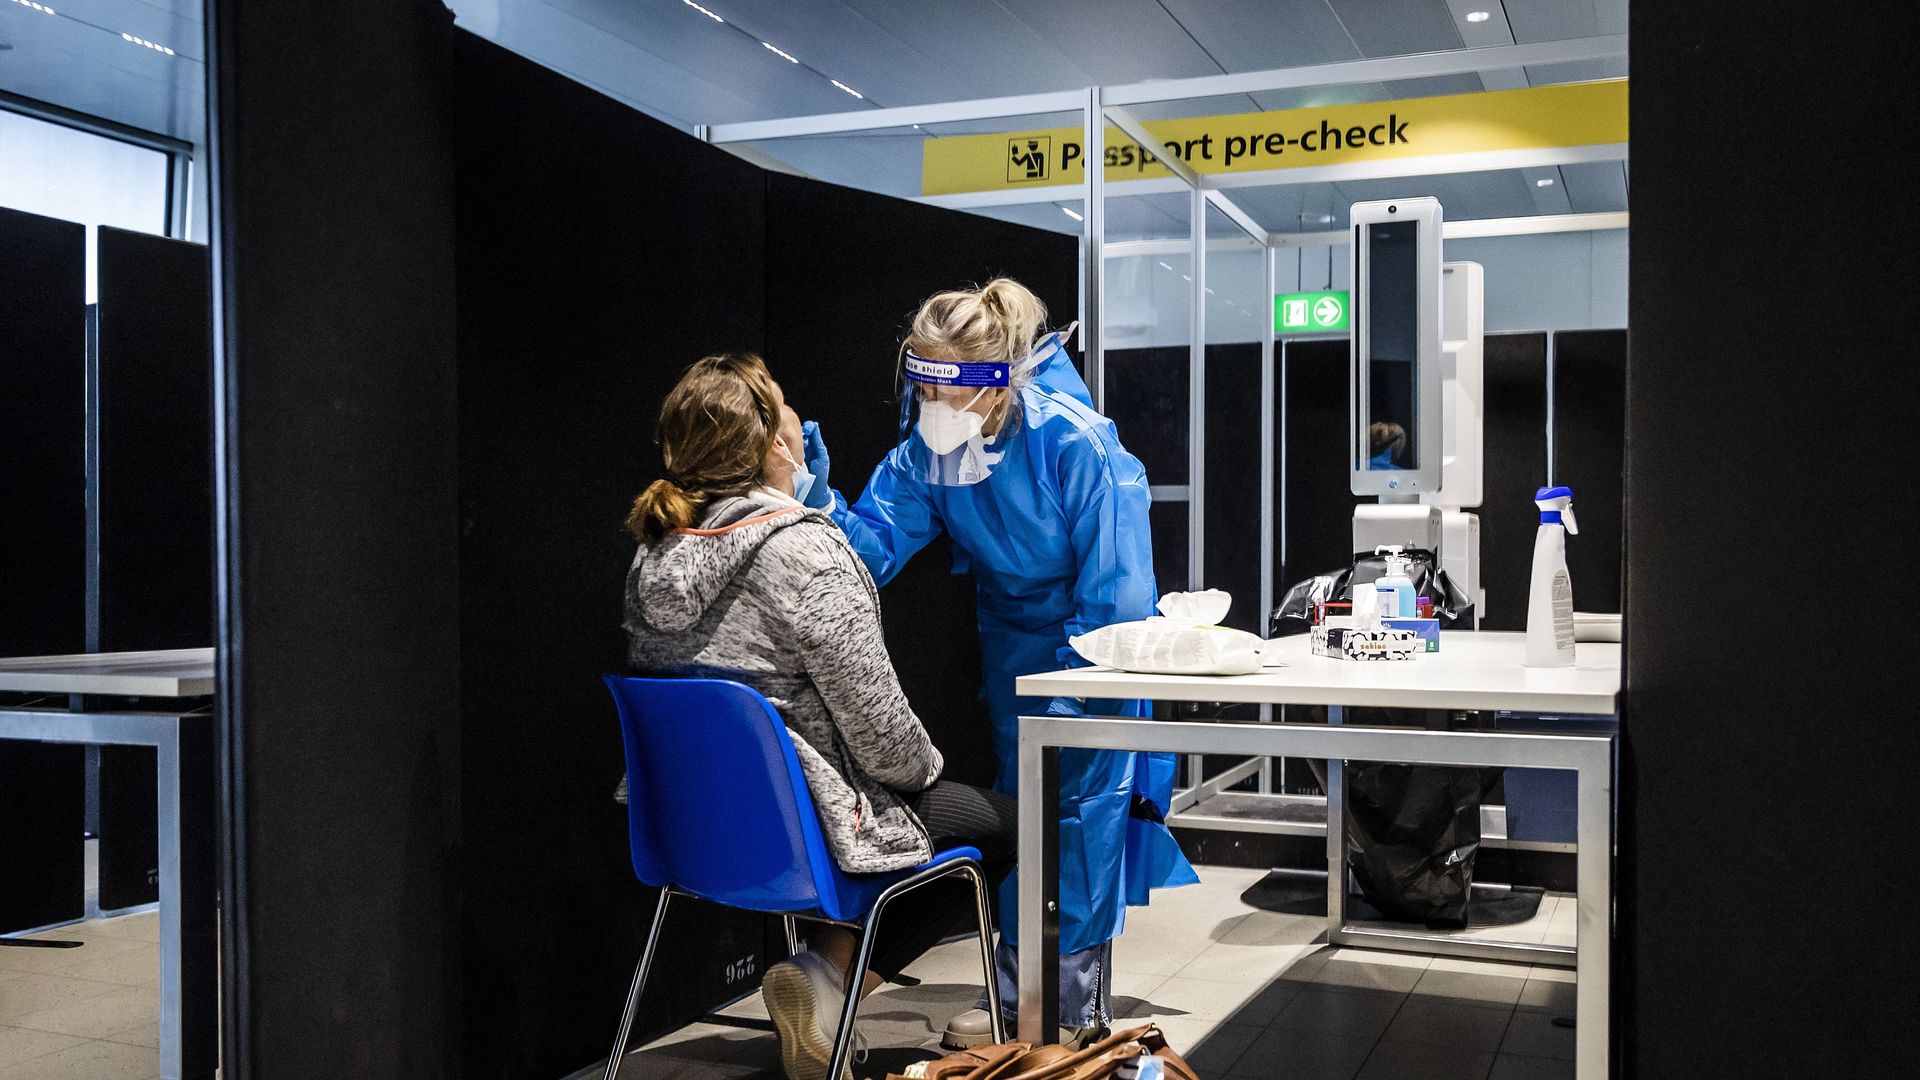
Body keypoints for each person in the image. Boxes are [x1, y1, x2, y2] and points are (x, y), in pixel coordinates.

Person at [796, 279, 1198, 1042]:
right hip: (1012, 652)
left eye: (943, 392)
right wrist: (816, 499)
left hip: (1092, 655)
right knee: (1026, 824)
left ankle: (1068, 1014)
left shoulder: (1076, 444)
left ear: (995, 382)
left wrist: (1076, 692)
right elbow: (868, 554)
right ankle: (1019, 1001)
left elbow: (1116, 595)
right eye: (920, 390)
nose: (929, 409)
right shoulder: (931, 452)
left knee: (1081, 824)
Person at [622, 353, 1019, 1080]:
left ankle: (825, 983)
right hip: (810, 832)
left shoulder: (654, 558)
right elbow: (888, 747)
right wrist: (925, 773)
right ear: (777, 444)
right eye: (786, 407)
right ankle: (829, 980)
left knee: (872, 803)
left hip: (692, 835)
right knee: (1011, 827)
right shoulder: (807, 553)